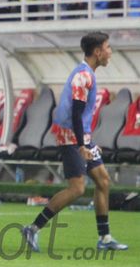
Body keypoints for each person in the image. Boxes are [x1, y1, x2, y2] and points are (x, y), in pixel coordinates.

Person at [22, 33, 128, 253]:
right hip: (70, 136)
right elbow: (77, 113)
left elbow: (80, 115)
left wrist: (87, 140)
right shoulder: (82, 76)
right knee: (77, 188)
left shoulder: (87, 74)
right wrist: (82, 144)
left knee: (103, 181)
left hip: (79, 135)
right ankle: (33, 228)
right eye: (108, 48)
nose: (110, 52)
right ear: (98, 52)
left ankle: (105, 238)